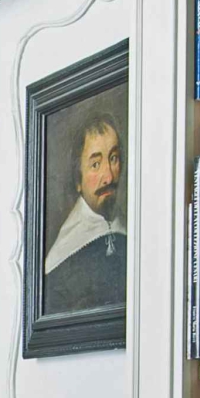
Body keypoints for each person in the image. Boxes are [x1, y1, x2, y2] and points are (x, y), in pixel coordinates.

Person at [43, 111, 126, 314]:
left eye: (113, 158)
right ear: (78, 180)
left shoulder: (129, 228)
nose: (108, 176)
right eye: (95, 164)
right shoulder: (61, 261)